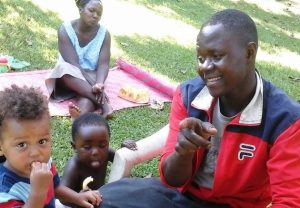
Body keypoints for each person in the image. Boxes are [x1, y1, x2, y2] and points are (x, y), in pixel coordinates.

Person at [95, 9, 300, 208]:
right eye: (201, 58)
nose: (204, 67)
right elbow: (172, 180)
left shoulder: (285, 120)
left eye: (216, 56)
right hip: (182, 196)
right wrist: (183, 152)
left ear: (249, 52)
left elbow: (290, 201)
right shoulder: (188, 95)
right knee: (104, 199)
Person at [0, 85, 101, 208]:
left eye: (42, 141)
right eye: (22, 144)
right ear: (1, 148)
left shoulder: (44, 163)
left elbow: (55, 187)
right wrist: (38, 192)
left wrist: (77, 197)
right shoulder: (4, 191)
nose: (35, 153)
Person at [45, 0, 113, 119]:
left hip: (91, 76)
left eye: (99, 13)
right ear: (80, 9)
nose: (95, 16)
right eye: (91, 10)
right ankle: (105, 106)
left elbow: (103, 64)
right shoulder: (65, 29)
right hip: (68, 77)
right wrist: (93, 84)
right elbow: (73, 64)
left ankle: (80, 116)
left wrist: (99, 83)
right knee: (64, 67)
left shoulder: (104, 34)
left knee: (88, 97)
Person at [62, 112, 137, 193]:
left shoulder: (107, 153)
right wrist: (78, 198)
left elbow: (120, 159)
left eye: (102, 145)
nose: (96, 152)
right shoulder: (74, 166)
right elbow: (63, 196)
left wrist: (124, 148)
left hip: (100, 196)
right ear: (74, 147)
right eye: (87, 147)